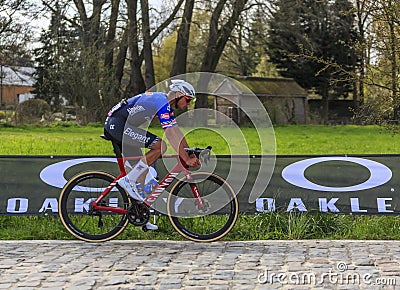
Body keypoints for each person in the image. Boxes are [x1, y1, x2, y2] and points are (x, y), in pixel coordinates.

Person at [104, 79, 201, 230]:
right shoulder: (161, 101)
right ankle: (129, 181)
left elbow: (177, 132)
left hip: (124, 125)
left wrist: (188, 152)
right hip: (117, 124)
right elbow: (169, 134)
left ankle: (140, 215)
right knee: (160, 146)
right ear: (178, 95)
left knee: (142, 172)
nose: (188, 104)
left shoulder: (167, 106)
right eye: (187, 100)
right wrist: (185, 158)